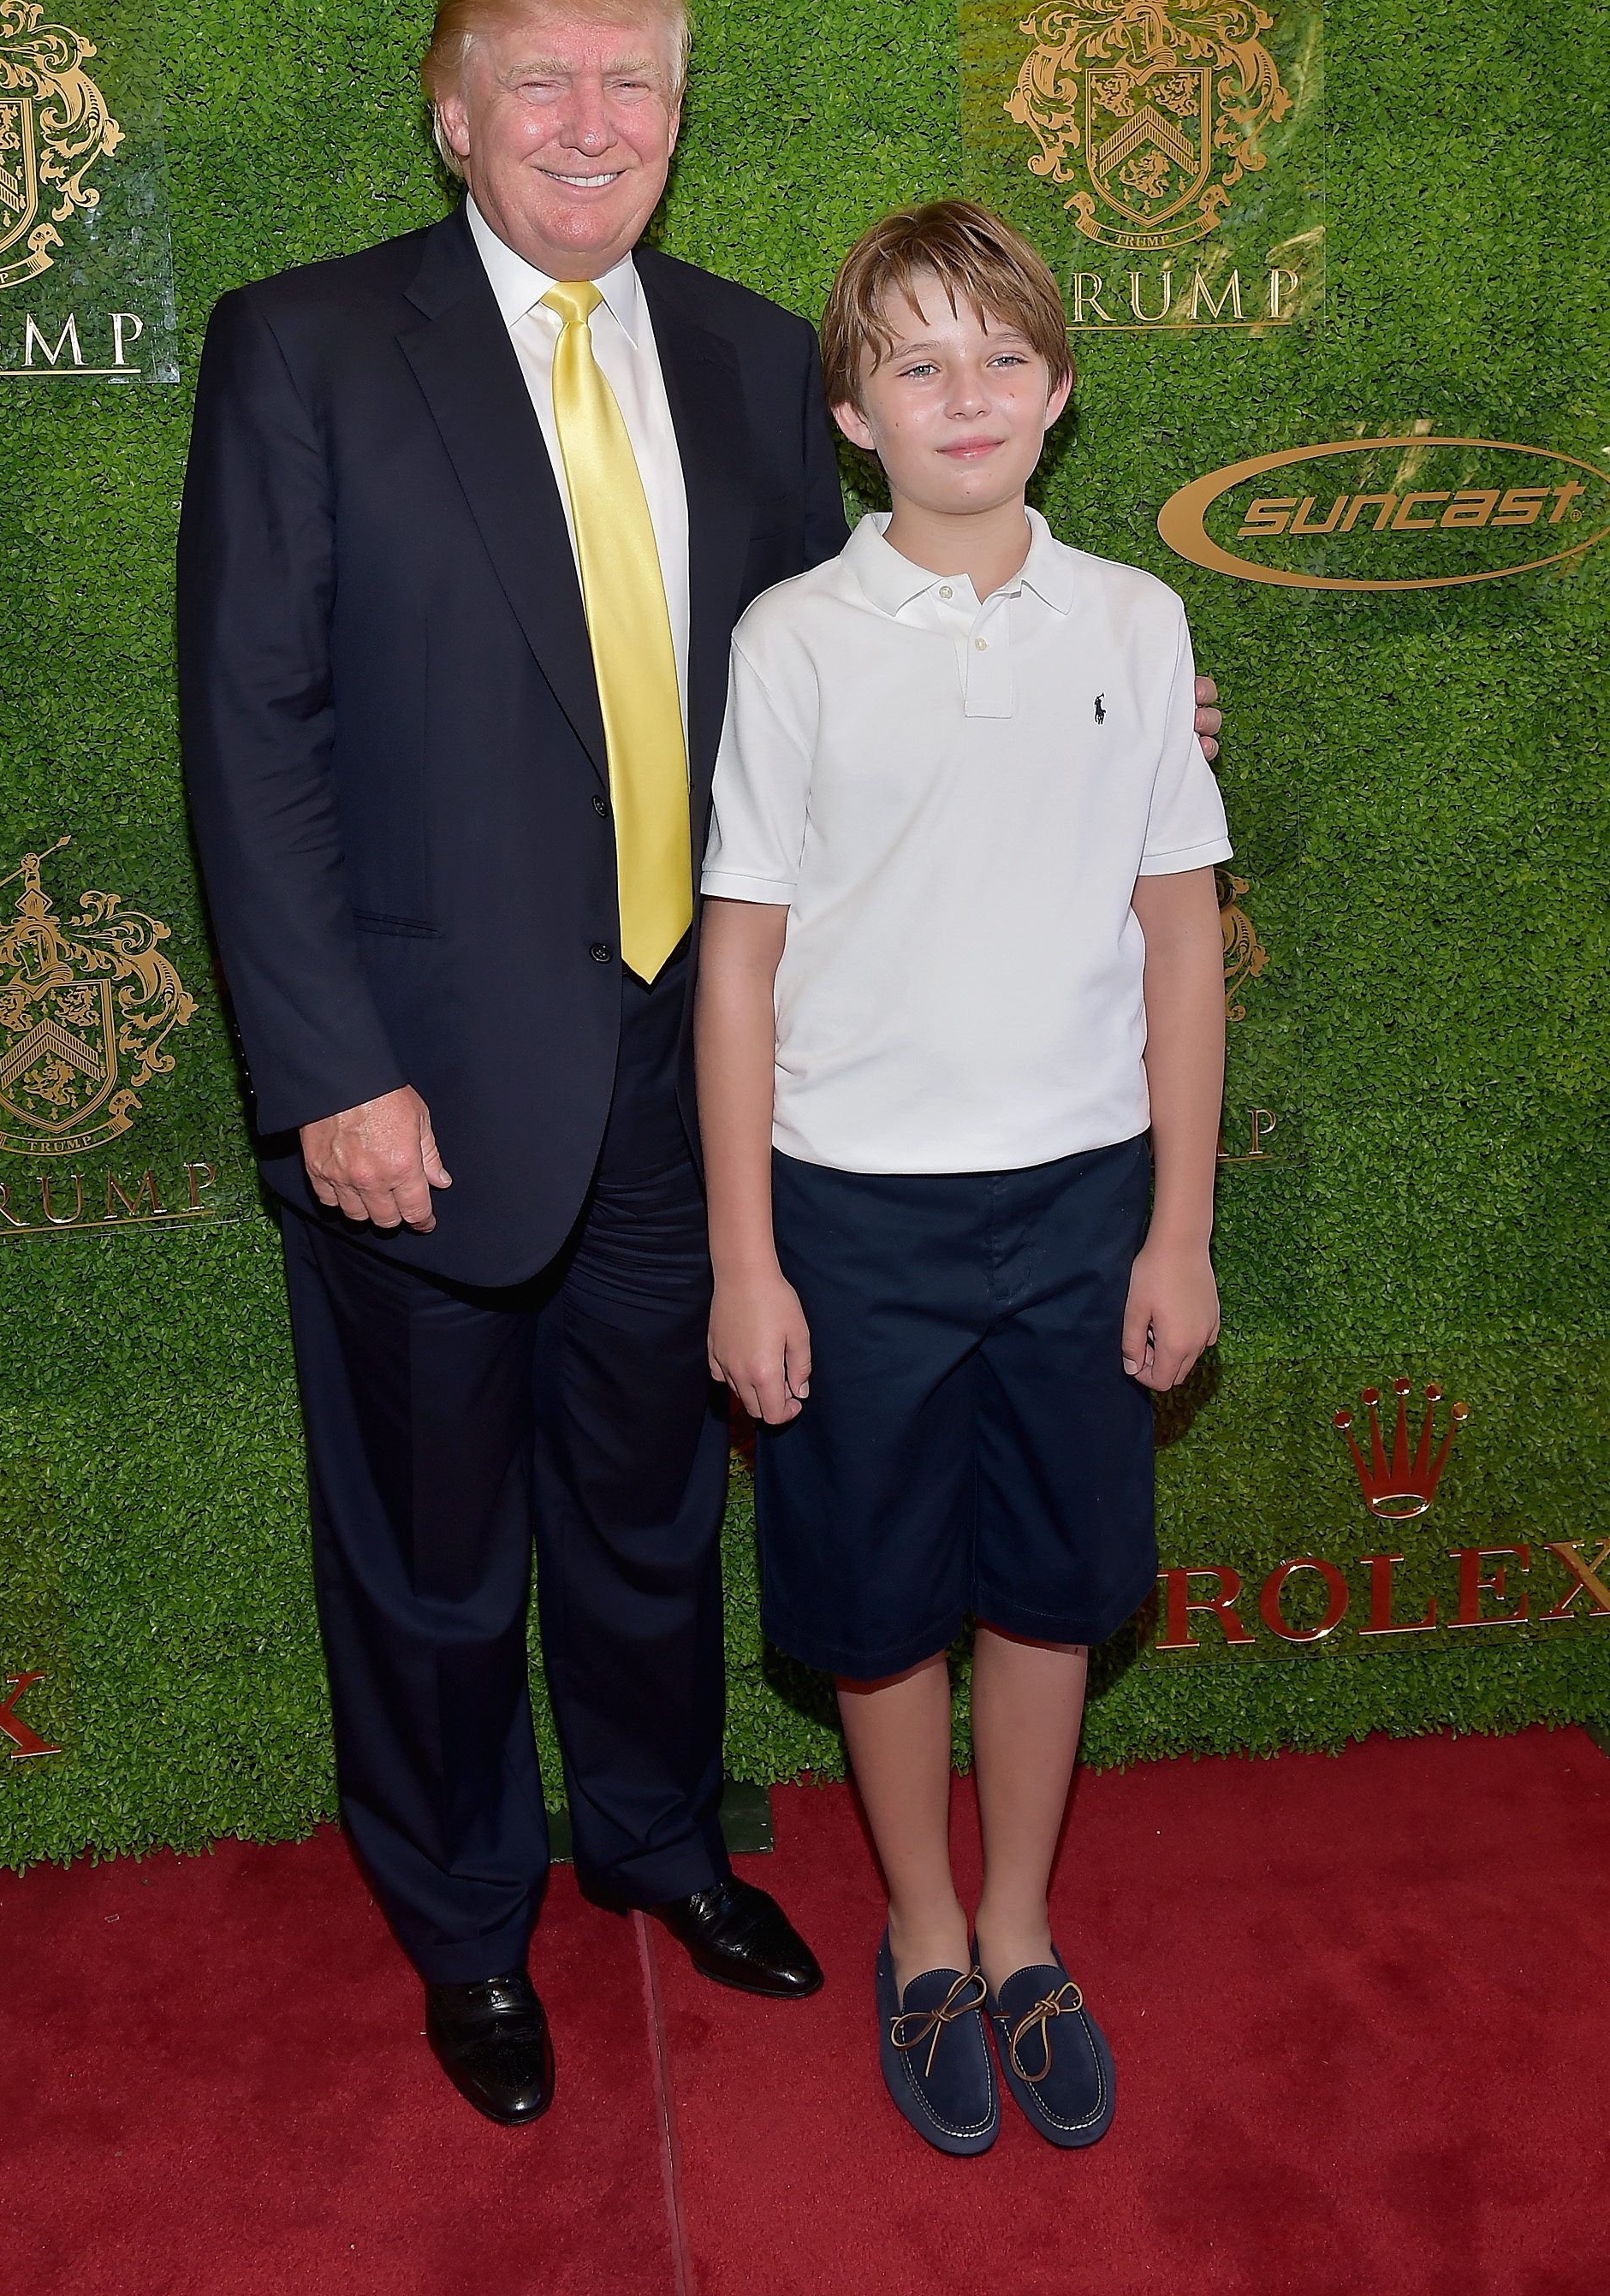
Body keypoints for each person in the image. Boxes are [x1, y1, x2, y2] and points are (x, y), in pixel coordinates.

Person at [177, 0, 1223, 2133]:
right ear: (447, 110)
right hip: (421, 1095)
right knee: (433, 1549)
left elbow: (875, 650)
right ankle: (469, 1921)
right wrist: (328, 1070)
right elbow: (248, 733)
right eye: (535, 81)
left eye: (628, 83)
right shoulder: (305, 348)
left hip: (699, 1080)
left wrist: (1119, 714)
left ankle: (654, 1841)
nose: (586, 123)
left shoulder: (757, 360)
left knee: (654, 1517)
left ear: (674, 114)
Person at [696, 199, 1230, 2157]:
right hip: (850, 1210)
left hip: (1084, 1201)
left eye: (1000, 355)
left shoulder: (1135, 624)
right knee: (878, 1598)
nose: (964, 393)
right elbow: (737, 960)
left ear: (1062, 389)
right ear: (854, 413)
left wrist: (1175, 1223)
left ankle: (1019, 1928)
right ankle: (921, 1929)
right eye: (915, 361)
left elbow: (1179, 937)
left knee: (1051, 1591)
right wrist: (747, 1261)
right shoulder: (793, 640)